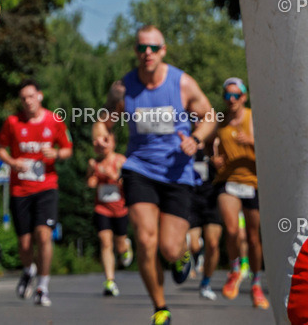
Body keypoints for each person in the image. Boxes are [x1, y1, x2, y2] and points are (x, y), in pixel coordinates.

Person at [100, 25, 218, 325]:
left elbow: (209, 116)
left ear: (163, 50)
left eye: (153, 47)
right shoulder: (124, 88)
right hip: (139, 169)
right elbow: (104, 121)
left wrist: (197, 139)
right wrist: (100, 136)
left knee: (168, 247)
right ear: (136, 51)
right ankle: (160, 307)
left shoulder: (182, 83)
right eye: (142, 48)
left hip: (177, 173)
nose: (148, 53)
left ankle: (181, 254)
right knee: (144, 239)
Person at [0, 80, 72, 307]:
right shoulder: (13, 122)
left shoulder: (54, 120)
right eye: (23, 98)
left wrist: (56, 154)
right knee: (25, 243)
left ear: (40, 96)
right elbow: (0, 148)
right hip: (20, 189)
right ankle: (29, 269)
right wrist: (12, 162)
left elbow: (68, 149)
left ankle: (42, 287)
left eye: (31, 96)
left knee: (44, 235)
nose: (27, 101)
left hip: (46, 186)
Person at [211, 77, 269, 309]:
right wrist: (213, 159)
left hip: (252, 183)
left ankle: (256, 283)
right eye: (228, 95)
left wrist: (251, 141)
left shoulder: (253, 118)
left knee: (253, 239)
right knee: (232, 229)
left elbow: (271, 147)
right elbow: (210, 146)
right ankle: (235, 270)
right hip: (227, 181)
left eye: (236, 95)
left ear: (244, 97)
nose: (231, 99)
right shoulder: (220, 120)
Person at [86, 120, 132, 297]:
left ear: (113, 142)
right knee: (105, 242)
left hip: (120, 209)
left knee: (119, 246)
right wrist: (92, 174)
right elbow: (90, 183)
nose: (102, 145)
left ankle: (125, 247)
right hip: (102, 208)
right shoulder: (94, 162)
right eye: (98, 141)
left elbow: (128, 183)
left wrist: (114, 175)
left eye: (106, 140)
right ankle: (110, 281)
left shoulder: (120, 160)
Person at [186, 147, 222, 300]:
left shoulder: (216, 144)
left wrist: (219, 164)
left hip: (211, 200)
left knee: (213, 244)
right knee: (193, 246)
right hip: (191, 199)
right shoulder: (186, 142)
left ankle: (206, 283)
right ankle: (196, 252)